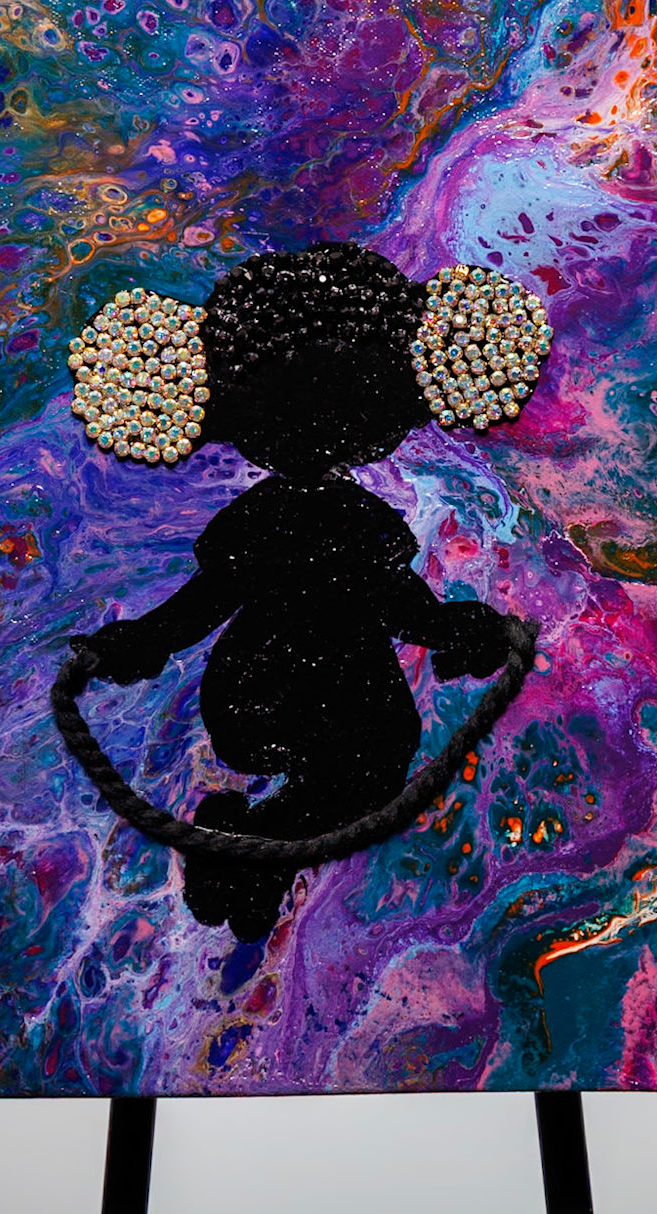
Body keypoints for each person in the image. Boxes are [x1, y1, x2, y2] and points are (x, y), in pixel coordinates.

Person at [74, 242, 522, 942]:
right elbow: (393, 601)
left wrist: (146, 640)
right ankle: (253, 851)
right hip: (333, 686)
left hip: (258, 684)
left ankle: (253, 854)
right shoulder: (339, 521)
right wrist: (450, 629)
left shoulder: (272, 517)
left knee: (361, 768)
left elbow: (208, 601)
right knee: (372, 764)